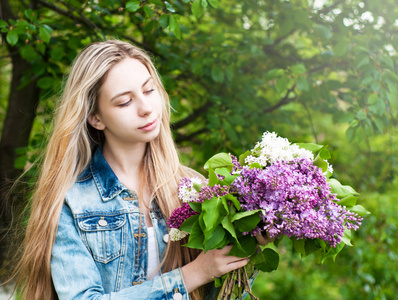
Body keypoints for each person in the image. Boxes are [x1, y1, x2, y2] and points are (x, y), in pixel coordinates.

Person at [12, 40, 268, 300]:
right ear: (95, 117)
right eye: (124, 102)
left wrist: (247, 247)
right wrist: (193, 274)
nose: (146, 108)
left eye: (149, 90)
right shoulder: (72, 200)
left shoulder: (193, 187)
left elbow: (221, 295)